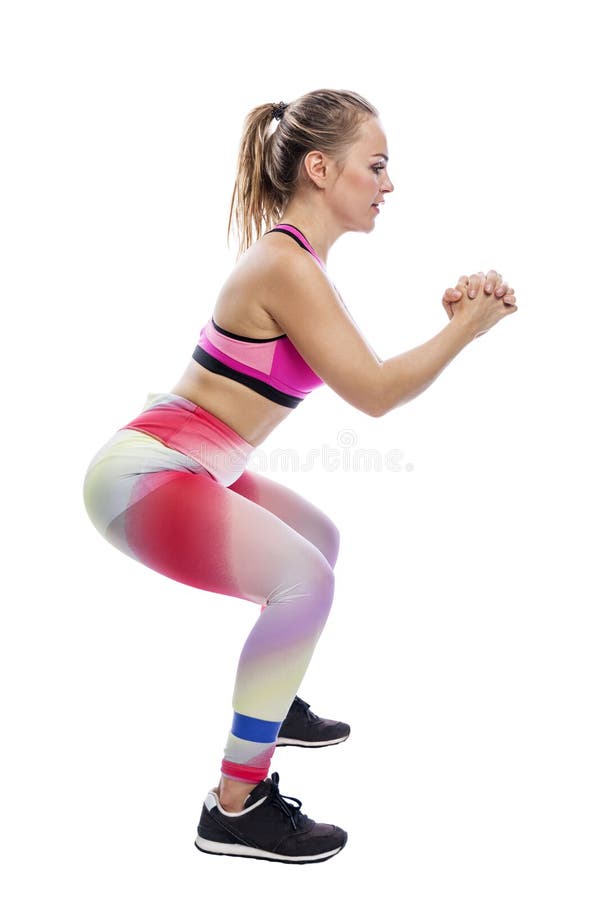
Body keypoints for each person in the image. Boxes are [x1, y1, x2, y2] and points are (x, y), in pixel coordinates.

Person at [82, 88, 518, 866]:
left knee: (318, 538)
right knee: (306, 583)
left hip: (196, 463)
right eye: (376, 166)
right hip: (147, 473)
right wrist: (465, 329)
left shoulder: (301, 265)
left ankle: (272, 699)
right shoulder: (285, 264)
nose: (389, 184)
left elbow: (371, 369)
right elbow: (377, 393)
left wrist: (453, 324)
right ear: (320, 168)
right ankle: (236, 804)